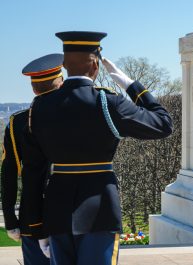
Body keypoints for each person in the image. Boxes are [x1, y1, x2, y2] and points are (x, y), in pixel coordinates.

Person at [21, 31, 173, 265]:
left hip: (57, 212)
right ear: (95, 65)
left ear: (64, 65)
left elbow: (33, 172)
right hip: (100, 212)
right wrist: (132, 86)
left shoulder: (39, 107)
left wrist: (37, 226)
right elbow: (163, 124)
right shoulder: (108, 102)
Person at [1, 53, 64, 265]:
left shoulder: (17, 122)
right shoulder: (77, 115)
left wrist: (10, 217)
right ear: (61, 81)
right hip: (72, 211)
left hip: (32, 216)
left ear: (33, 88)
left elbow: (8, 172)